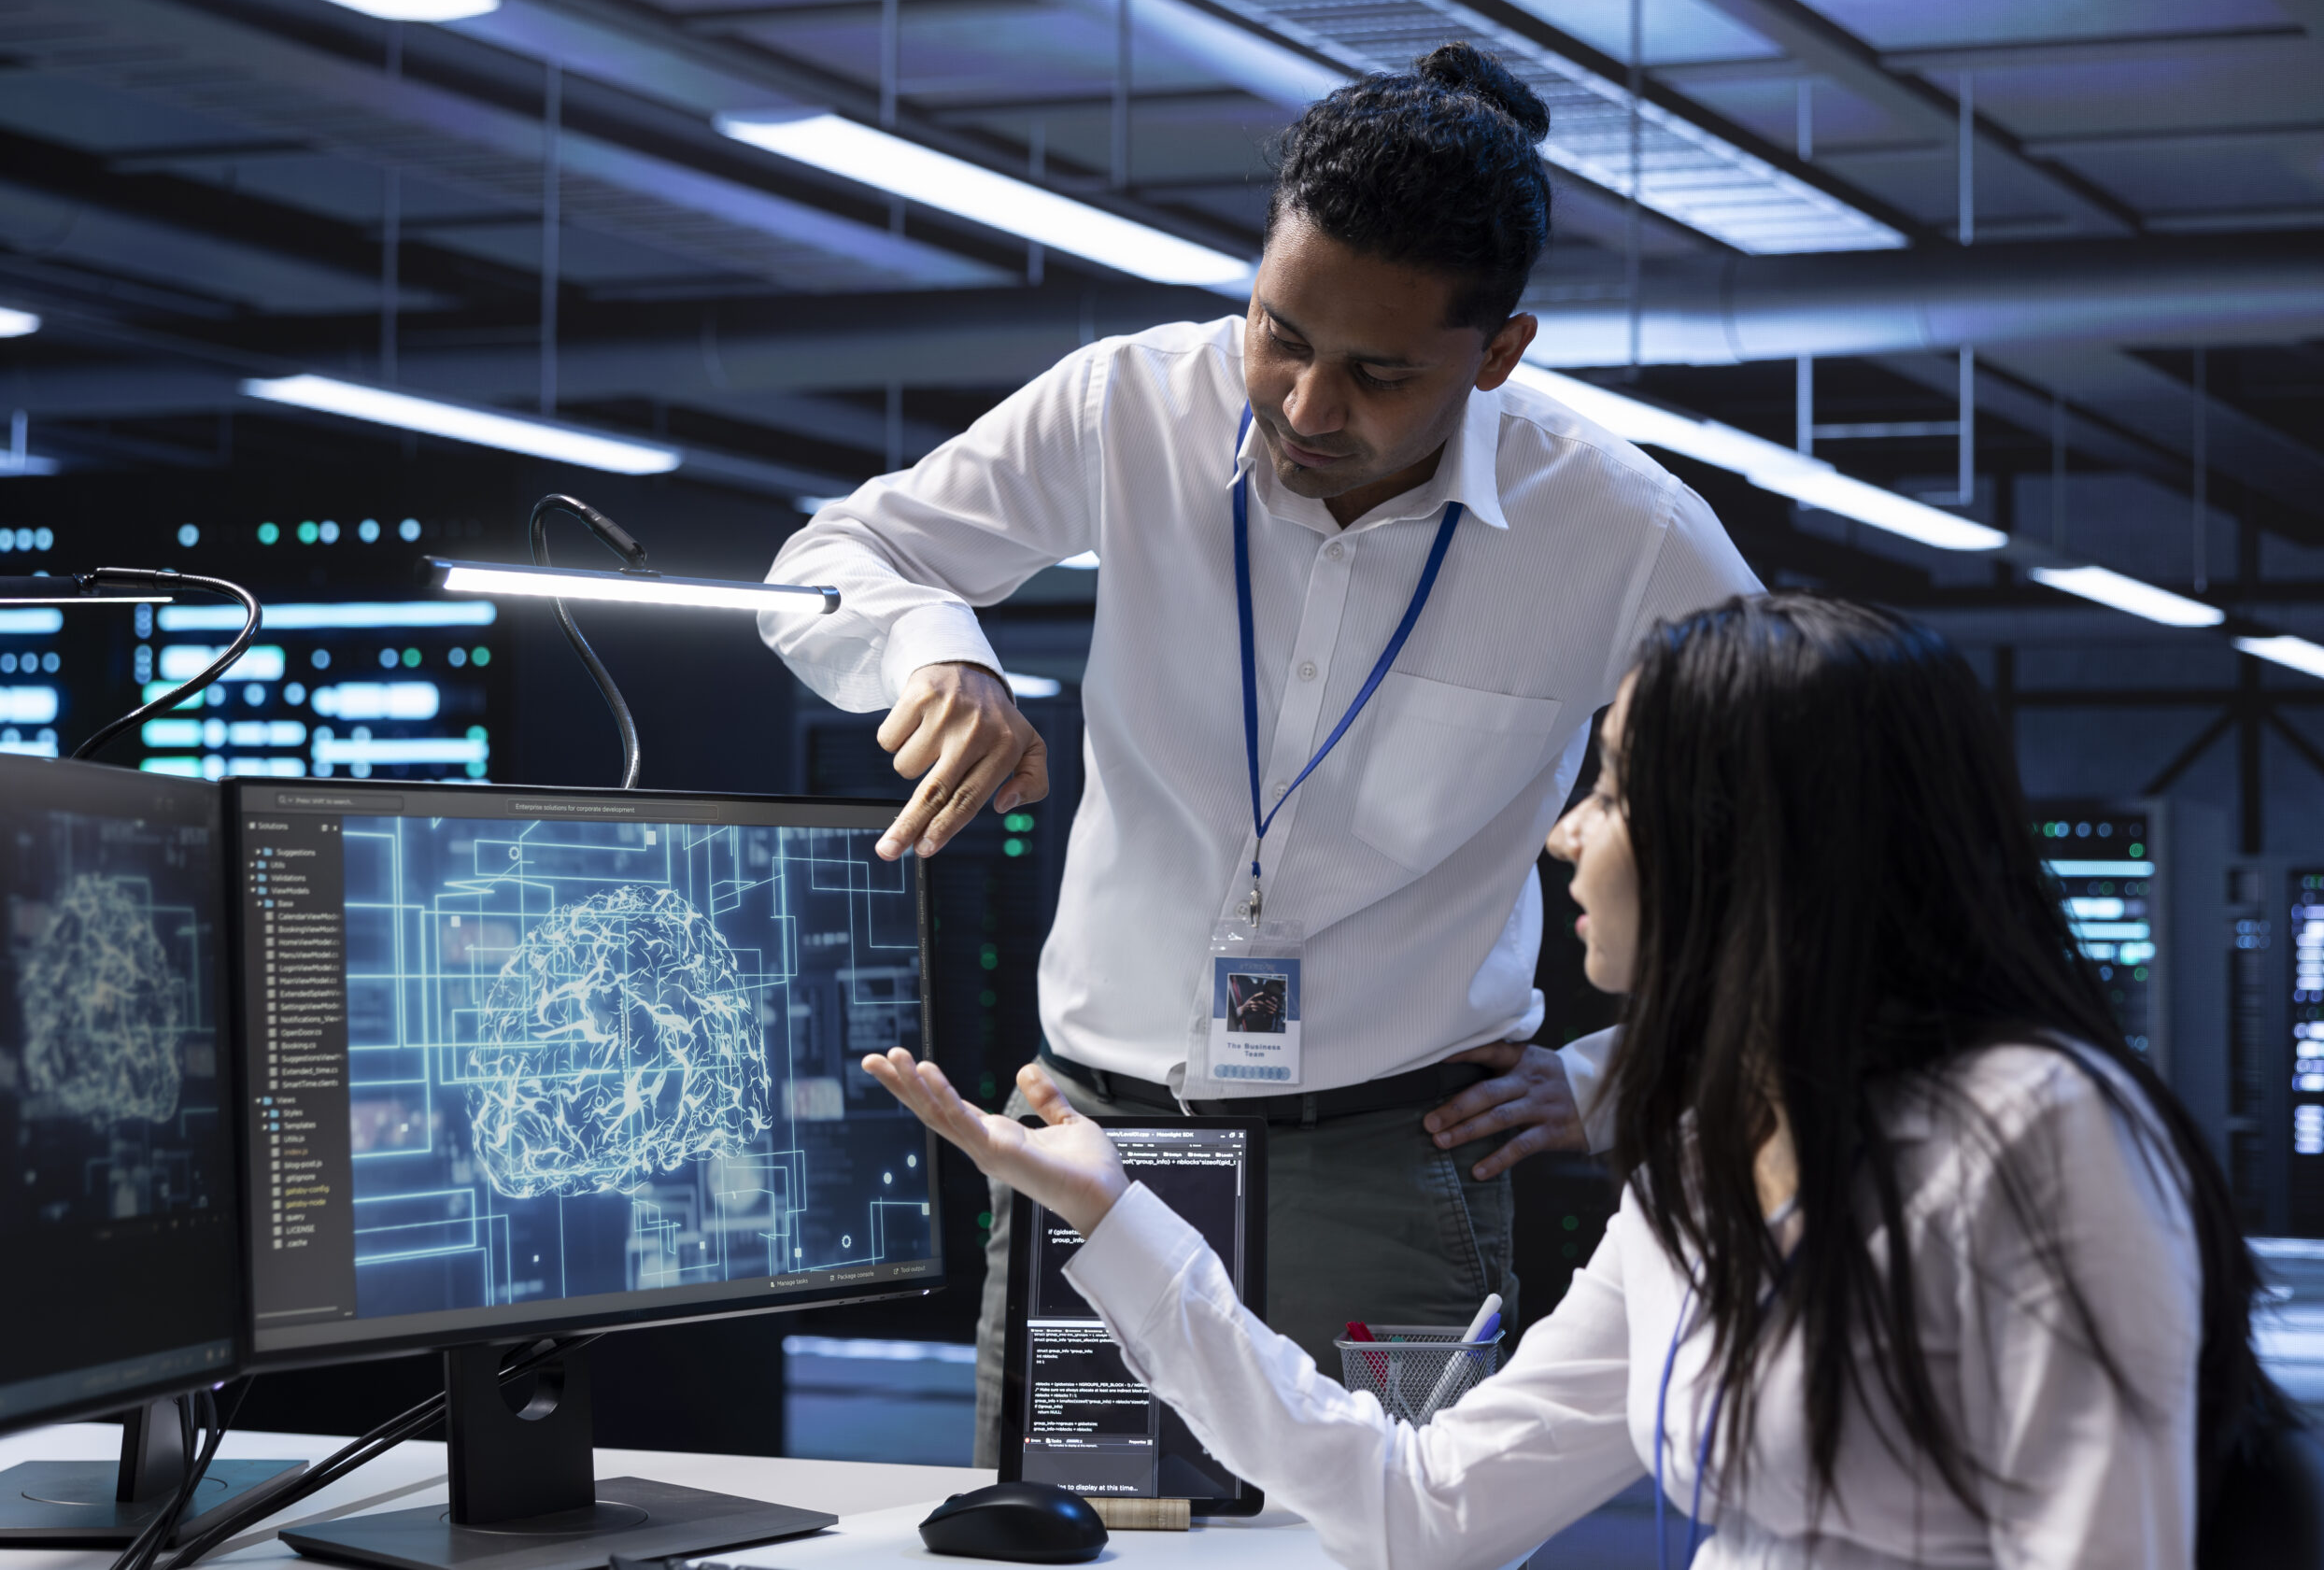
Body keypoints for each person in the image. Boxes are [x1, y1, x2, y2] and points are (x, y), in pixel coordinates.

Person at [759, 42, 1756, 1460]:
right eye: (1280, 332)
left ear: (1500, 354)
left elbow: (1812, 809)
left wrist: (1619, 1074)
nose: (1303, 408)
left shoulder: (1622, 532)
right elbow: (833, 555)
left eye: (1378, 373)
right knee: (1067, 1553)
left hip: (1395, 1167)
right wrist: (936, 646)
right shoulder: (1128, 405)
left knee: (1392, 1550)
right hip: (1102, 1143)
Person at [865, 593, 2274, 1568]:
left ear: (1742, 840)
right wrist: (1119, 1221)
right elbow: (1422, 1512)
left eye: (1608, 790)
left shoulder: (2042, 1133)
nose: (1567, 839)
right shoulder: (1705, 1156)